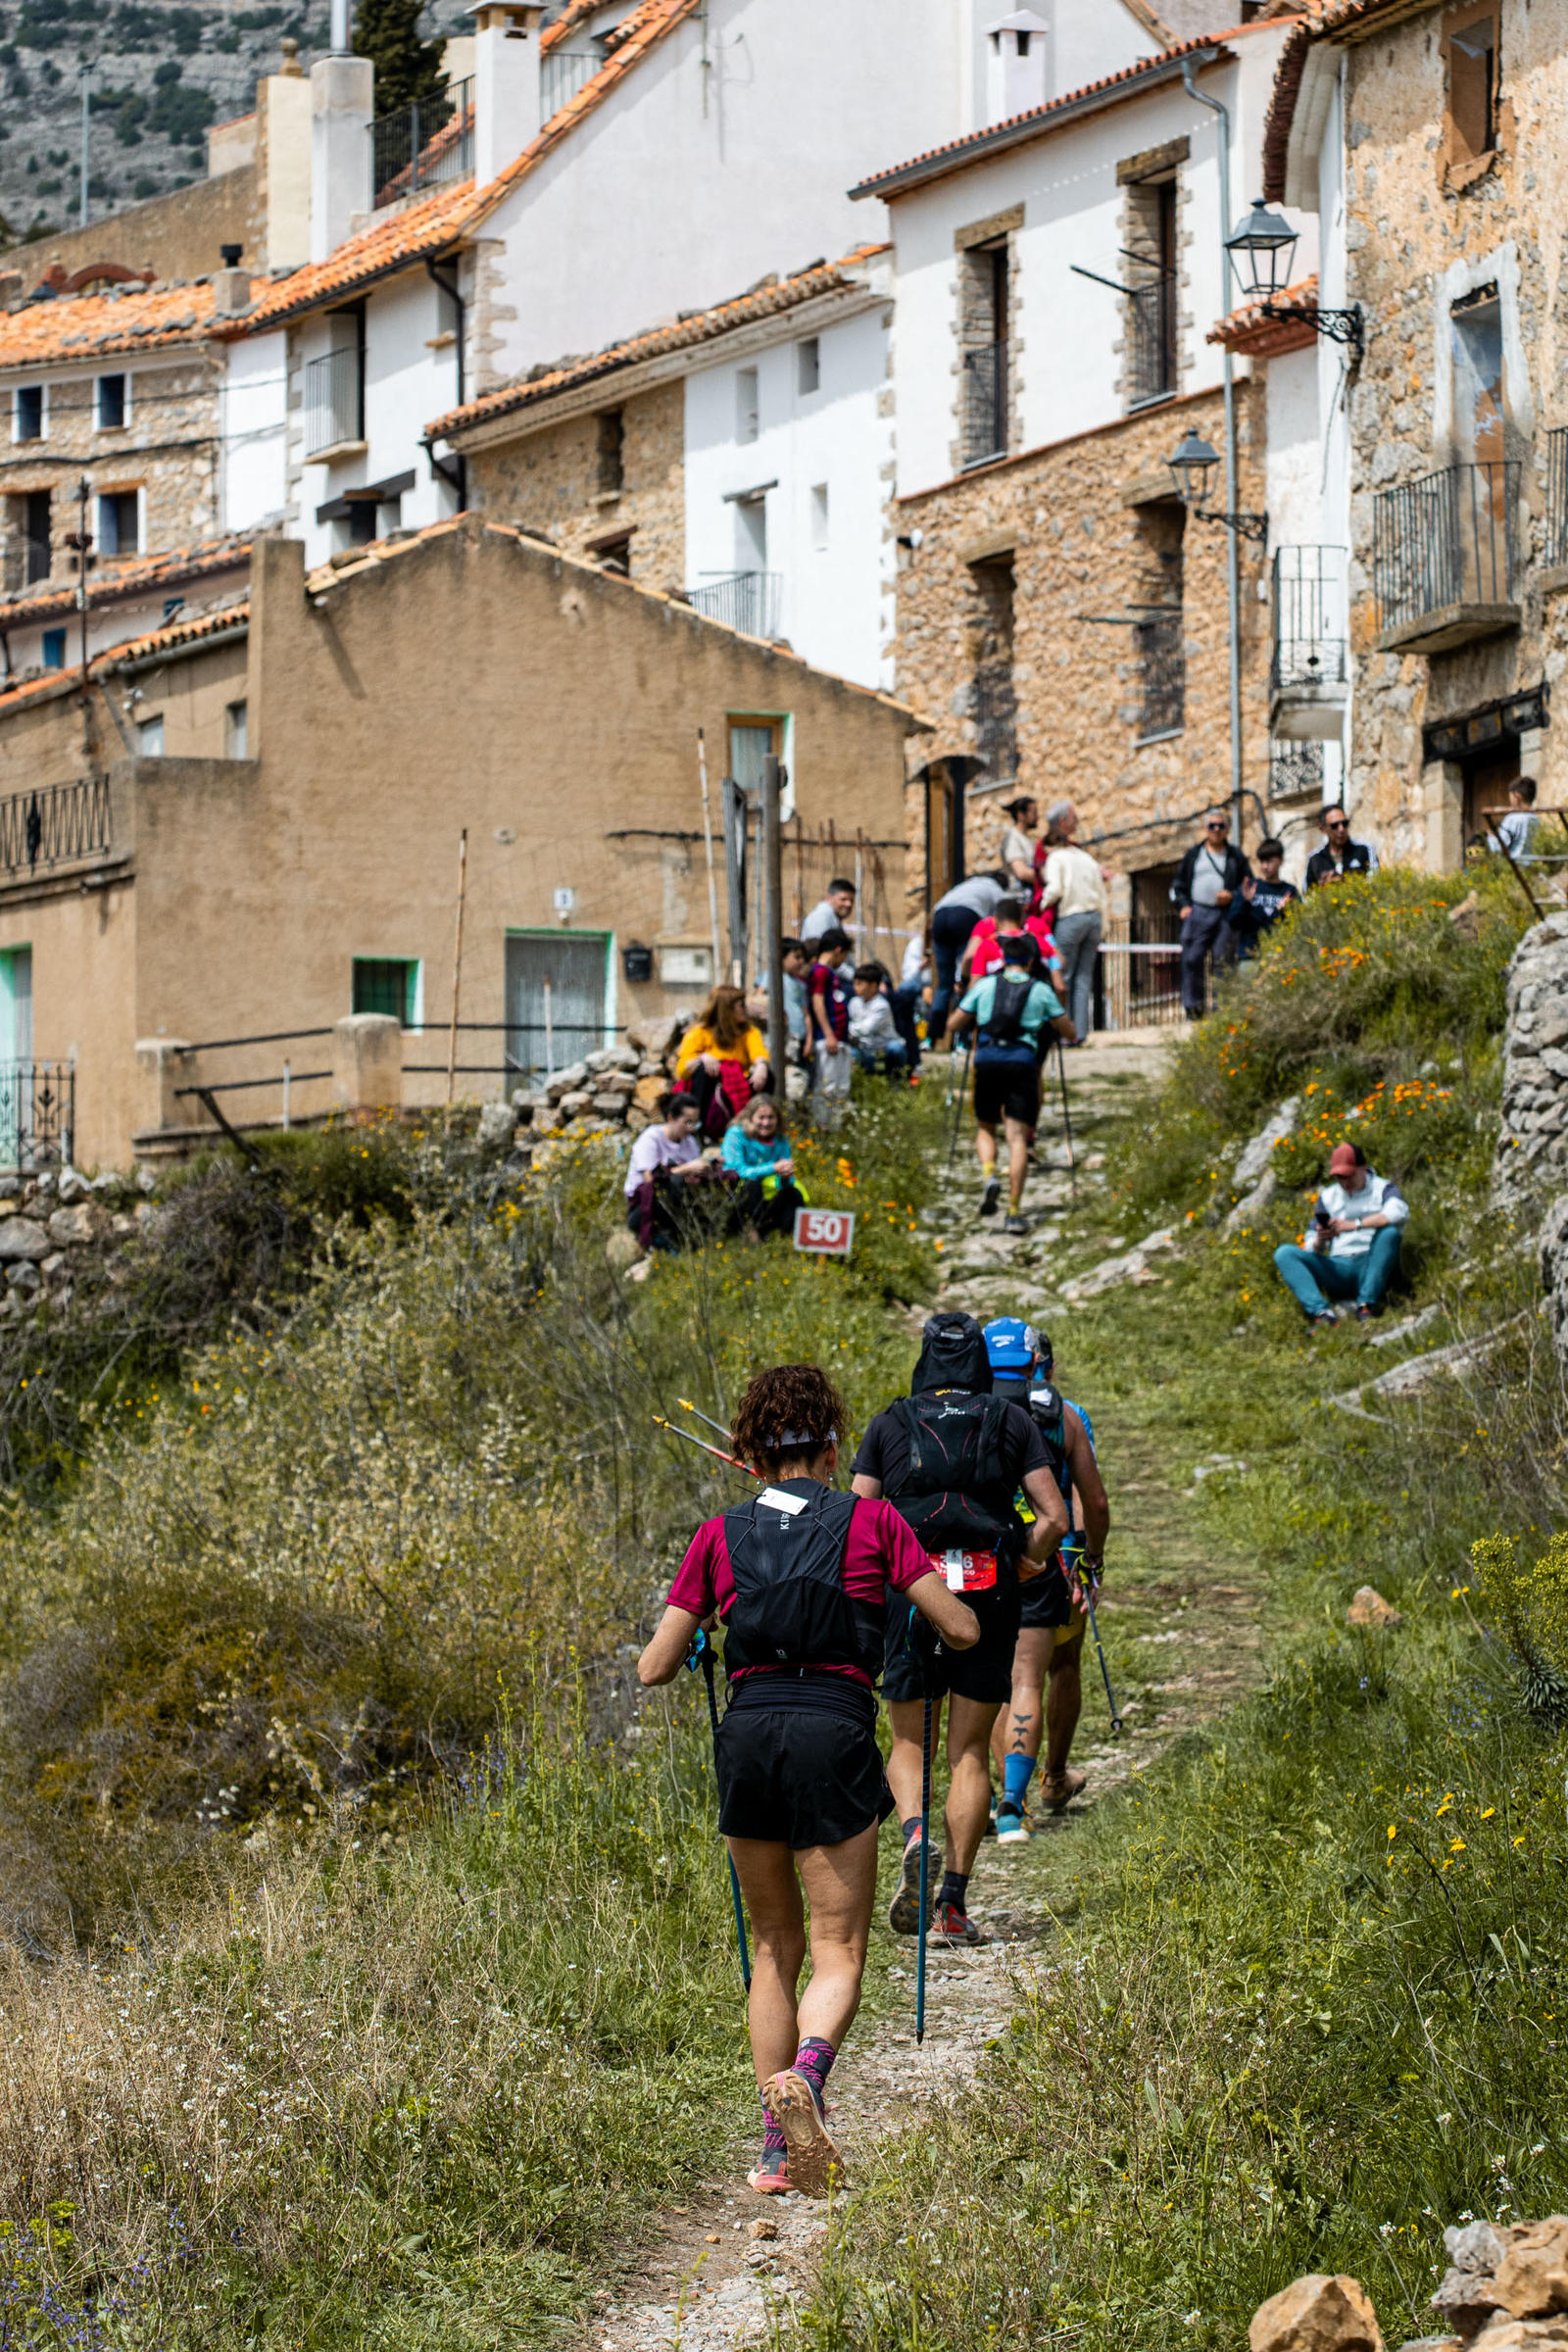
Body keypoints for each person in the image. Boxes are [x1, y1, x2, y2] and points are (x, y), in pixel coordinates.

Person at [638, 1362, 980, 2195]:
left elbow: (653, 1667)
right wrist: (927, 1609)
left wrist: (701, 1634)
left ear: (752, 1455)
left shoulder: (718, 1535)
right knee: (838, 1949)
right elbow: (963, 1630)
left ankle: (773, 2152)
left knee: (772, 1950)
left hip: (750, 1736)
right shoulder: (874, 1522)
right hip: (833, 1730)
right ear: (832, 1448)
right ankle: (810, 2076)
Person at [850, 1312, 1070, 1947]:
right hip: (988, 1591)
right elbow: (1055, 1517)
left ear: (924, 1359)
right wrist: (1026, 1558)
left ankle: (915, 1833)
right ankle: (951, 1904)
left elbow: (860, 1519)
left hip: (911, 1592)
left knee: (908, 1742)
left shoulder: (890, 1423)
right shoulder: (1011, 1420)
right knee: (969, 1750)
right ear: (977, 1361)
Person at [982, 1319, 1108, 1834]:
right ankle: (1048, 1779)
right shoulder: (1065, 1414)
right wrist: (1088, 1558)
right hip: (1052, 1556)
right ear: (1040, 1365)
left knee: (995, 1680)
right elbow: (1090, 1499)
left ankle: (999, 1795)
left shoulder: (966, 1411)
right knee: (1054, 1668)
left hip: (982, 1559)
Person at [949, 932, 1073, 1235]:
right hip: (1022, 1062)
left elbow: (954, 1023)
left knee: (985, 1127)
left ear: (1003, 960)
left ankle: (989, 1175)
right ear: (1030, 962)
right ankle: (1014, 1212)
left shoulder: (986, 985)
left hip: (987, 1059)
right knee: (1017, 1138)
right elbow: (1068, 1030)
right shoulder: (1040, 990)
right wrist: (1056, 1024)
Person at [1272, 1140, 1410, 1326]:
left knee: (1389, 1233)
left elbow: (1398, 1212)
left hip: (1371, 1261)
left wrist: (1354, 1225)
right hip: (1339, 1265)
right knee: (1285, 1253)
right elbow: (1311, 1242)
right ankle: (1323, 1313)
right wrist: (1321, 1240)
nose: (1345, 1182)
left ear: (1363, 1168)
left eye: (1349, 1176)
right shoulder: (1328, 1197)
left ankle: (1366, 1304)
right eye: (1339, 1177)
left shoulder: (1383, 1188)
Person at [1037, 803, 1107, 1042]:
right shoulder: (1087, 858)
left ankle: (1064, 1034)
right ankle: (1080, 1033)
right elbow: (1101, 890)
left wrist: (1041, 905)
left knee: (1063, 976)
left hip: (1071, 917)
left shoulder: (1056, 857)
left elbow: (1055, 889)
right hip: (1094, 918)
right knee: (1084, 978)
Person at [1171, 809, 1251, 1019]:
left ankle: (1222, 1010)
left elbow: (1247, 885)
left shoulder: (1235, 856)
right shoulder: (1193, 854)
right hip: (1198, 912)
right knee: (1192, 959)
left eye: (1221, 826)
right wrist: (1183, 906)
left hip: (1225, 915)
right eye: (1212, 825)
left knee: (1223, 961)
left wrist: (1232, 895)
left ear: (1227, 829)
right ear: (1206, 829)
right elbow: (1178, 885)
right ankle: (1194, 1009)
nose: (1216, 829)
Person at [623, 1091, 716, 1251]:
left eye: (695, 1123)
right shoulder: (650, 1138)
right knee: (673, 1182)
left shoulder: (690, 1142)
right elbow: (650, 1180)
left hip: (681, 1203)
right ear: (671, 1118)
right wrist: (686, 1168)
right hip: (645, 1208)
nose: (692, 1128)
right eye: (688, 1122)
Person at [675, 986, 771, 1141]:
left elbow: (758, 1052)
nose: (746, 1009)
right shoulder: (699, 1033)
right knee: (702, 1070)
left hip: (738, 1086)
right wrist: (702, 1057)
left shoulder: (749, 1031)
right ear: (727, 1009)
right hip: (712, 1092)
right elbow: (682, 1071)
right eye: (741, 1005)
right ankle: (697, 1131)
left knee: (767, 1075)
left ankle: (760, 1129)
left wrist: (761, 1065)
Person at [929, 872, 1007, 1038]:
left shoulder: (967, 884)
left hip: (939, 917)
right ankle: (963, 1035)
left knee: (944, 983)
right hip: (966, 917)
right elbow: (1003, 916)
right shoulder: (996, 889)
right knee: (963, 979)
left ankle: (932, 1036)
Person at [720, 1095, 808, 1239]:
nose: (766, 1123)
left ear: (777, 1119)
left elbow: (785, 1179)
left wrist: (785, 1178)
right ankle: (755, 1233)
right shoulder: (736, 1134)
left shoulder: (781, 1139)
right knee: (752, 1185)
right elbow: (737, 1170)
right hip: (738, 1190)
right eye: (761, 1117)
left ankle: (791, 1237)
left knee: (793, 1193)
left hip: (768, 1192)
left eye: (770, 1117)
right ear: (751, 1117)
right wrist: (773, 1167)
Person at [808, 928, 855, 1128]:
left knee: (840, 1086)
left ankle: (835, 1126)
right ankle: (823, 1125)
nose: (843, 960)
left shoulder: (829, 973)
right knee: (827, 1085)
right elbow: (817, 1002)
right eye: (844, 955)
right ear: (838, 950)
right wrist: (828, 1034)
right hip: (828, 1039)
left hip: (838, 1039)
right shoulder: (820, 971)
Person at [1227, 836, 1299, 958]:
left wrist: (1284, 911)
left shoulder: (1289, 891)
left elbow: (1297, 926)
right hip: (1249, 955)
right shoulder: (1249, 887)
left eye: (1269, 861)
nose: (1265, 866)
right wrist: (1245, 902)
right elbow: (1233, 922)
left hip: (1280, 956)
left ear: (1280, 861)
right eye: (1262, 862)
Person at [848, 963, 908, 1080]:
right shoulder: (854, 1002)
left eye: (860, 983)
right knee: (851, 1053)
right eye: (854, 983)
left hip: (884, 1047)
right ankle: (864, 1081)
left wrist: (847, 1029)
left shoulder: (882, 1005)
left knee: (896, 1049)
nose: (855, 987)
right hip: (864, 1047)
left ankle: (897, 1079)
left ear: (873, 985)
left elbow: (866, 1029)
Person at [1305, 806, 1379, 888]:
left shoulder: (1365, 850)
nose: (1341, 829)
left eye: (1344, 823)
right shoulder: (1315, 858)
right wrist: (1323, 888)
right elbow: (1307, 892)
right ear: (1323, 829)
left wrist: (1343, 882)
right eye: (1334, 825)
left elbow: (1375, 883)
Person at [891, 927, 927, 1073]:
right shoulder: (917, 944)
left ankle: (917, 1051)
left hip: (938, 987)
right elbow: (908, 977)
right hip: (916, 986)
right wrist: (922, 965)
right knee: (905, 993)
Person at [1493, 775, 1540, 863]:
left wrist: (1490, 838)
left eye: (1510, 796)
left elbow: (1499, 847)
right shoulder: (1536, 819)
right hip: (1533, 867)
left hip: (1514, 866)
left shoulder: (1513, 819)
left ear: (1517, 796)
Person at [780, 939, 811, 1068]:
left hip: (800, 1038)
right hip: (783, 1038)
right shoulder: (770, 978)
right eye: (797, 957)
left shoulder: (800, 984)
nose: (801, 961)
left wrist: (809, 1040)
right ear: (782, 957)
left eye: (802, 958)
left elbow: (806, 1014)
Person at [998, 796, 1039, 892]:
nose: (1037, 817)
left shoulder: (1026, 838)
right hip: (1020, 895)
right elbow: (1022, 872)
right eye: (1034, 813)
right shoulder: (1012, 838)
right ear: (1021, 815)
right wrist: (1048, 878)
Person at [801, 878, 857, 947]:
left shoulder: (831, 917)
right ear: (829, 898)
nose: (849, 904)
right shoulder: (820, 917)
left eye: (851, 900)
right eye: (843, 899)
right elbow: (816, 948)